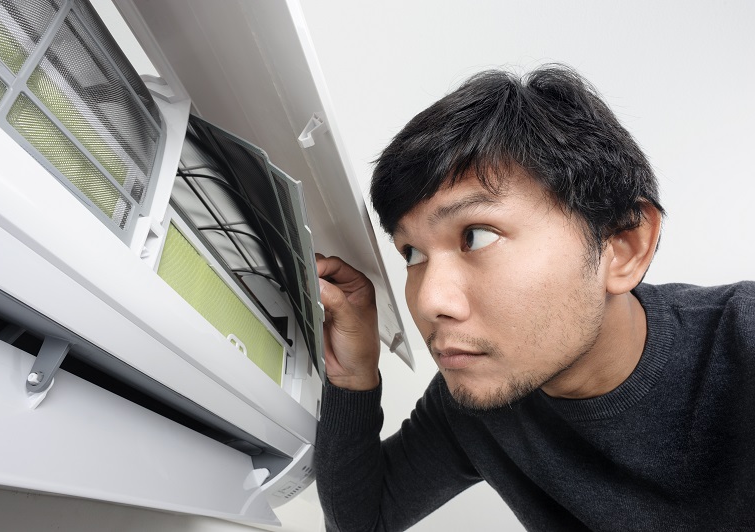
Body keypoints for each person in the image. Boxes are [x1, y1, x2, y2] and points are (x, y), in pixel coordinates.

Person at [313, 65, 755, 531]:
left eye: (477, 236)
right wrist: (352, 377)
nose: (427, 302)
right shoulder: (476, 399)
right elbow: (363, 521)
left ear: (623, 246)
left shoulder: (743, 346)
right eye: (412, 252)